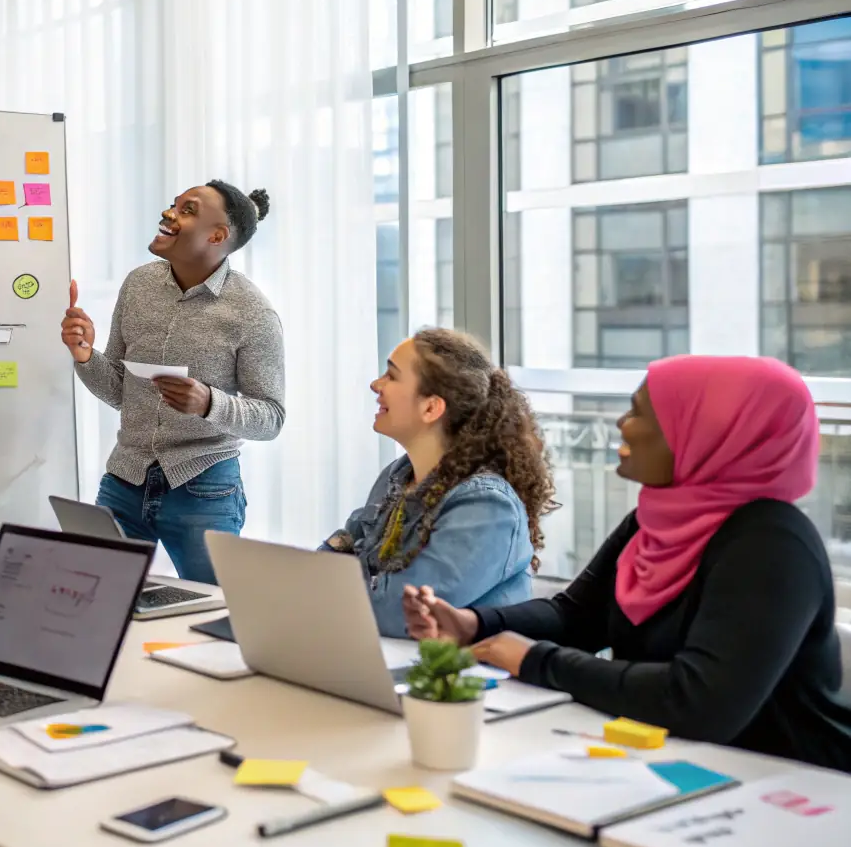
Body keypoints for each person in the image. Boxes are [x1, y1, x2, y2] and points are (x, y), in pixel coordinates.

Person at [403, 354, 851, 773]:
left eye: (639, 413)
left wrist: (536, 660)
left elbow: (698, 703)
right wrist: (472, 624)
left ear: (704, 432)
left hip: (790, 785)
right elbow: (576, 616)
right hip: (676, 764)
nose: (622, 425)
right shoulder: (654, 518)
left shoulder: (771, 543)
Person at [61, 181, 284, 584]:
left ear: (217, 236)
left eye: (188, 210)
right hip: (125, 481)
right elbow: (120, 391)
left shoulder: (253, 312)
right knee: (99, 598)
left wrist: (208, 403)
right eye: (173, 205)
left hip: (204, 490)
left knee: (212, 614)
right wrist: (84, 355)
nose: (168, 214)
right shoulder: (138, 285)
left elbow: (271, 418)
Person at [320, 328, 553, 637]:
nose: (376, 385)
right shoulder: (398, 476)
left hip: (455, 678)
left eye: (391, 376)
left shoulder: (487, 505)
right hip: (382, 655)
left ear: (431, 407)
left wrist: (321, 589)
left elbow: (396, 612)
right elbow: (327, 565)